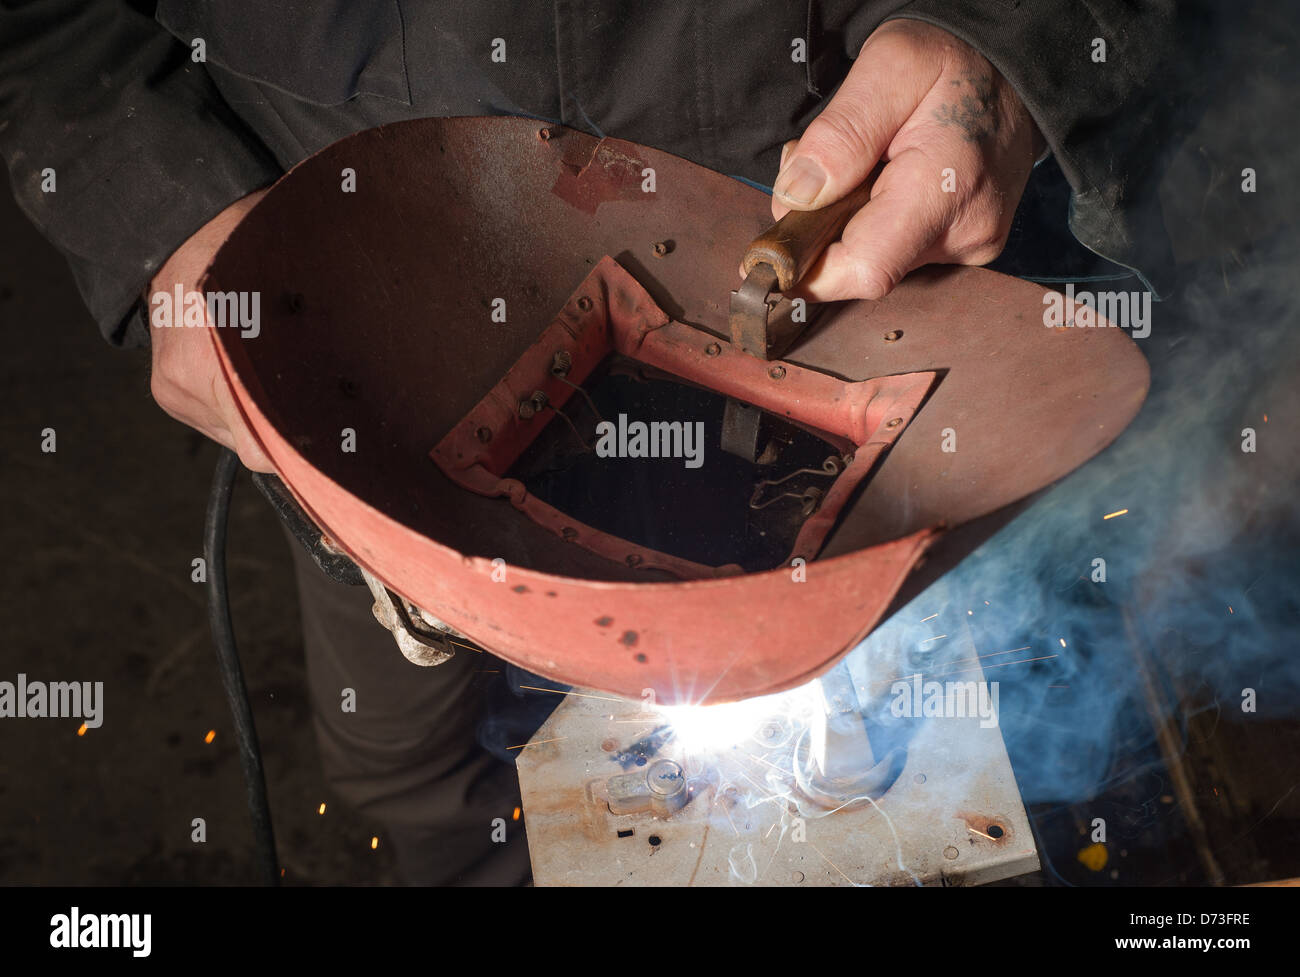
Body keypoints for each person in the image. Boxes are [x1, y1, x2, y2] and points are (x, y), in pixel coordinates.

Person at [1, 1, 1192, 883]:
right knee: (409, 772)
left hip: (847, 232)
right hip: (373, 302)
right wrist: (164, 214)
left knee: (910, 747)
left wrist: (1005, 42)